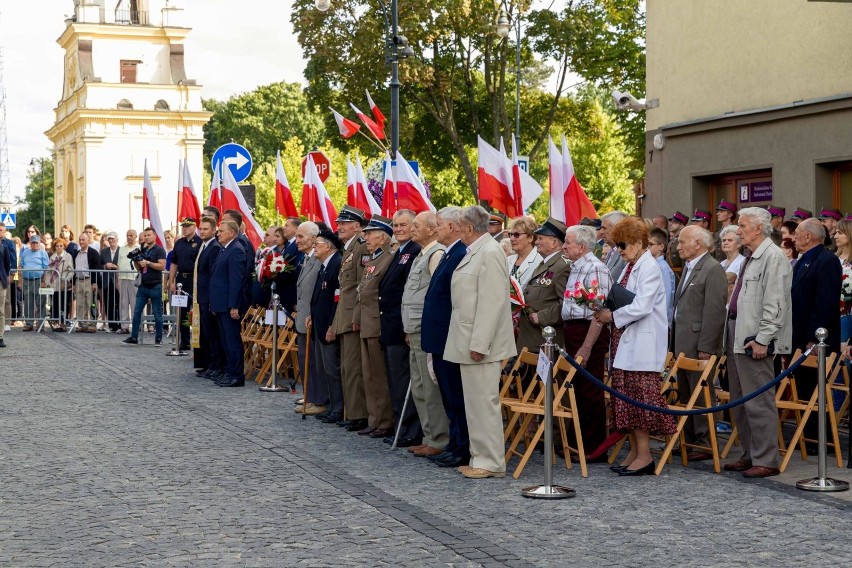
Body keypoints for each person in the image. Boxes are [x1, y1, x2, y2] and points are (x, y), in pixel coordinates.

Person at [593, 217, 676, 476]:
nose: (619, 250)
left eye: (623, 245)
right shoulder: (632, 266)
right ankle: (634, 451)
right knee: (626, 399)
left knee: (639, 400)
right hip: (627, 339)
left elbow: (641, 306)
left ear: (639, 243)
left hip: (642, 342)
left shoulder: (649, 267)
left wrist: (612, 316)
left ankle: (645, 454)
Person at [444, 205, 516, 479]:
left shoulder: (490, 252)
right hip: (467, 338)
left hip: (480, 342)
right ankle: (479, 456)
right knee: (473, 402)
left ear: (470, 228)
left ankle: (491, 460)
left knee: (484, 402)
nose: (457, 230)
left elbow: (493, 302)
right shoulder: (476, 251)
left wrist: (480, 343)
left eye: (460, 226)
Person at [723, 207, 792, 478]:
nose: (738, 230)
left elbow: (776, 303)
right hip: (738, 334)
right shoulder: (752, 256)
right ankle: (750, 454)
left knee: (758, 401)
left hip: (754, 340)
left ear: (759, 229)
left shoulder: (773, 257)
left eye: (742, 226)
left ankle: (765, 458)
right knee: (740, 401)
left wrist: (763, 339)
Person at [671, 225, 728, 460]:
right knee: (685, 392)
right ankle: (688, 438)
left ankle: (704, 440)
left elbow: (714, 311)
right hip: (684, 340)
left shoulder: (712, 268)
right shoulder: (690, 267)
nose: (678, 246)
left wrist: (706, 345)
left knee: (700, 393)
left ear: (698, 244)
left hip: (699, 343)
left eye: (683, 242)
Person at [422, 206, 471, 469]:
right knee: (448, 395)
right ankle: (454, 444)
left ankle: (462, 448)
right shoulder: (449, 253)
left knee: (456, 396)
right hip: (440, 335)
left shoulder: (460, 253)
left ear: (452, 227)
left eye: (439, 224)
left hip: (449, 336)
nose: (435, 229)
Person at [402, 211, 450, 458]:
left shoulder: (436, 253)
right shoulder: (422, 253)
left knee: (430, 388)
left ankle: (438, 438)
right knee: (419, 387)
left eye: (416, 225)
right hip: (413, 328)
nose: (411, 229)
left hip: (424, 328)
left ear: (432, 229)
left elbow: (435, 296)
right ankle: (428, 435)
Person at [561, 225, 612, 458]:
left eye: (567, 242)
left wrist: (587, 345)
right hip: (573, 330)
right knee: (577, 389)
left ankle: (593, 447)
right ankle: (577, 442)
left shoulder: (595, 268)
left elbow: (599, 311)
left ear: (581, 247)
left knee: (590, 389)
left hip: (587, 332)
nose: (564, 246)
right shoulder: (576, 267)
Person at [790, 218, 842, 448]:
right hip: (800, 336)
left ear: (809, 236)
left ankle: (818, 440)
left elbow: (826, 302)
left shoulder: (826, 260)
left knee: (815, 390)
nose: (793, 237)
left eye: (798, 233)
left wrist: (813, 337)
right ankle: (809, 436)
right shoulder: (805, 259)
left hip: (816, 339)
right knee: (803, 388)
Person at [378, 210, 423, 446]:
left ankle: (409, 429)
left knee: (404, 380)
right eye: (394, 225)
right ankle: (400, 425)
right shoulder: (401, 251)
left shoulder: (414, 251)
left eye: (403, 225)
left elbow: (408, 291)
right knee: (395, 380)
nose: (397, 229)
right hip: (391, 325)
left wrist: (407, 327)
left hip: (401, 325)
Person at [352, 215, 396, 437]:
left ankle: (385, 420)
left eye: (369, 233)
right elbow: (363, 290)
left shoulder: (388, 257)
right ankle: (374, 418)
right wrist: (357, 317)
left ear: (382, 237)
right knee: (368, 375)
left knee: (379, 376)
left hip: (377, 324)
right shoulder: (373, 258)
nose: (365, 237)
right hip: (367, 322)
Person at [329, 206, 370, 431]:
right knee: (347, 368)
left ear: (357, 226)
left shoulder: (361, 247)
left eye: (344, 224)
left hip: (354, 317)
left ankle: (359, 414)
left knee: (354, 369)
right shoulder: (349, 248)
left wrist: (355, 317)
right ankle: (352, 412)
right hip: (344, 316)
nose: (339, 227)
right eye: (339, 223)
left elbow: (360, 287)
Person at [516, 218, 570, 353]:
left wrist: (542, 316)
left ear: (554, 242)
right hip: (532, 337)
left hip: (545, 338)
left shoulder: (562, 265)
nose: (536, 242)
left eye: (540, 238)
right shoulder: (546, 262)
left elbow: (566, 303)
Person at [308, 229, 345, 422]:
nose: (314, 247)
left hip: (329, 327)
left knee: (332, 369)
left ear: (328, 246)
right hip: (319, 325)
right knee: (325, 368)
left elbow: (337, 300)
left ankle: (338, 408)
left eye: (317, 244)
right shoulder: (324, 266)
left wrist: (332, 325)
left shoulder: (336, 264)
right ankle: (331, 406)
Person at [208, 220, 247, 387]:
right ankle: (229, 371)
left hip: (228, 305)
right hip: (221, 304)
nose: (218, 234)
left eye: (221, 231)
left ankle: (236, 375)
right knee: (225, 340)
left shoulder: (236, 250)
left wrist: (234, 305)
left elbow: (236, 280)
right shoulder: (226, 249)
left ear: (232, 232)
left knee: (232, 341)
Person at [122, 227, 166, 346]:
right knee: (136, 312)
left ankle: (158, 339)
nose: (147, 237)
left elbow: (162, 266)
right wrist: (136, 260)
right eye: (145, 235)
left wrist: (148, 263)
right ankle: (134, 337)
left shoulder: (159, 250)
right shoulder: (143, 249)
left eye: (149, 235)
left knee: (157, 313)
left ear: (154, 236)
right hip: (143, 285)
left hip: (155, 285)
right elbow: (140, 269)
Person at [195, 217, 224, 381]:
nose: (202, 231)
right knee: (206, 333)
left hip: (208, 296)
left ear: (214, 230)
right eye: (201, 228)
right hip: (202, 296)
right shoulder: (204, 246)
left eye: (205, 229)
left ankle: (215, 365)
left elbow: (213, 275)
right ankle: (209, 365)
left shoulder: (213, 247)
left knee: (213, 334)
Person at [169, 218, 202, 352]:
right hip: (181, 279)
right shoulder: (179, 243)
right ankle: (184, 341)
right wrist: (171, 281)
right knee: (181, 311)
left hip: (194, 280)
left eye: (188, 226)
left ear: (194, 227)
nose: (185, 228)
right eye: (184, 226)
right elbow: (174, 263)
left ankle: (197, 339)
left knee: (195, 310)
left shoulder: (200, 242)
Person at [19, 235, 49, 331]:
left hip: (39, 280)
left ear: (40, 243)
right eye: (33, 242)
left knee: (41, 302)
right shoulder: (25, 252)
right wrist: (20, 280)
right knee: (28, 302)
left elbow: (46, 268)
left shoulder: (43, 253)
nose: (35, 244)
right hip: (27, 280)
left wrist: (44, 281)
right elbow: (21, 265)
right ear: (30, 243)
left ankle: (40, 324)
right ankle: (29, 323)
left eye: (37, 242)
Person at [505, 217, 543, 290]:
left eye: (517, 235)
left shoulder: (540, 261)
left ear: (530, 238)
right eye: (510, 234)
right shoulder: (508, 260)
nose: (511, 239)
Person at [45, 237, 74, 331]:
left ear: (64, 246)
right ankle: (56, 323)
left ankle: (63, 323)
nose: (59, 248)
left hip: (64, 285)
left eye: (61, 246)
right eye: (57, 246)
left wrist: (65, 280)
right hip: (54, 285)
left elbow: (71, 271)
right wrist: (48, 282)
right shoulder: (52, 257)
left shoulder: (68, 256)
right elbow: (48, 271)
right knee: (55, 304)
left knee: (64, 305)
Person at [649, 228, 675, 328]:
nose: (647, 247)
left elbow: (666, 298)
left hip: (659, 322)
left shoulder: (663, 268)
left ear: (661, 246)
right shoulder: (653, 265)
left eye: (651, 244)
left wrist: (664, 323)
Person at [116, 230, 138, 334]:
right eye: (127, 235)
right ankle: (124, 326)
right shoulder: (121, 249)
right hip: (122, 278)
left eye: (131, 235)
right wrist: (117, 280)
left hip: (134, 278)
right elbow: (118, 265)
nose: (129, 237)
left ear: (135, 236)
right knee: (123, 303)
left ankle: (135, 325)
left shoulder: (139, 248)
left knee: (135, 303)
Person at [99, 231, 121, 332]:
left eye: (113, 238)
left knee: (119, 303)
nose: (111, 240)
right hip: (107, 280)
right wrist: (105, 266)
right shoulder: (104, 251)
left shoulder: (121, 250)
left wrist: (115, 267)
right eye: (109, 239)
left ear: (117, 239)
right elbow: (99, 265)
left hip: (118, 280)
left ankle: (120, 324)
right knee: (108, 303)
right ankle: (111, 324)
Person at [600, 211, 627, 279]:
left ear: (617, 228)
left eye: (604, 228)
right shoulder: (611, 250)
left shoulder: (627, 253)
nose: (601, 232)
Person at [0, 223, 16, 333]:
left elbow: (12, 259)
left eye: (1, 230)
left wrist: (11, 274)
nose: (0, 233)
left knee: (6, 300)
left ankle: (7, 322)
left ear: (5, 232)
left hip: (4, 275)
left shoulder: (9, 243)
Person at [0, 227, 9, 346]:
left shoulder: (4, 248)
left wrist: (5, 277)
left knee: (0, 311)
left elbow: (7, 265)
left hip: (0, 282)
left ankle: (0, 336)